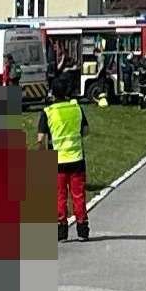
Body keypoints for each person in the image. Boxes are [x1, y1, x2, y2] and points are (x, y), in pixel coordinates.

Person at [40, 89, 88, 241]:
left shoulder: (48, 112)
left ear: (53, 95)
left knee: (60, 195)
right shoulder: (76, 108)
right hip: (77, 158)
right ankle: (82, 229)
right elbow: (86, 131)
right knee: (78, 195)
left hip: (58, 161)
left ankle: (61, 231)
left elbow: (41, 138)